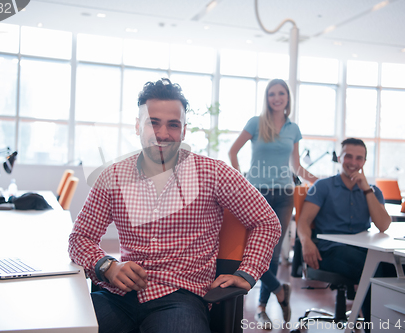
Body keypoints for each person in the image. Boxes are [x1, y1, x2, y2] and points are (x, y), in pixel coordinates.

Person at [68, 78, 282, 333]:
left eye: (173, 124)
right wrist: (107, 266)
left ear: (183, 130)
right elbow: (80, 238)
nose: (162, 133)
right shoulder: (113, 176)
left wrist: (247, 273)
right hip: (121, 294)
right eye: (152, 122)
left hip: (180, 298)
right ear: (138, 126)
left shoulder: (213, 174)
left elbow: (266, 222)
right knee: (64, 327)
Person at [297, 137, 405, 332]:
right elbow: (303, 221)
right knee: (372, 270)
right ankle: (375, 327)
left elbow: (384, 225)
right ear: (339, 157)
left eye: (359, 158)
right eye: (349, 156)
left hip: (363, 249)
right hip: (329, 250)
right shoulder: (323, 186)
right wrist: (306, 242)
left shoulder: (373, 191)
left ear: (364, 162)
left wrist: (366, 189)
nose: (353, 162)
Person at [229, 78, 318, 326]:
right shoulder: (255, 123)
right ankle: (280, 290)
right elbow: (233, 151)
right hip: (256, 193)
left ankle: (262, 307)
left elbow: (297, 165)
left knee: (274, 255)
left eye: (281, 93)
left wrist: (318, 180)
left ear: (288, 98)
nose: (276, 98)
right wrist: (241, 180)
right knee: (249, 250)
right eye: (271, 94)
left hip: (284, 195)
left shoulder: (293, 129)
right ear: (266, 98)